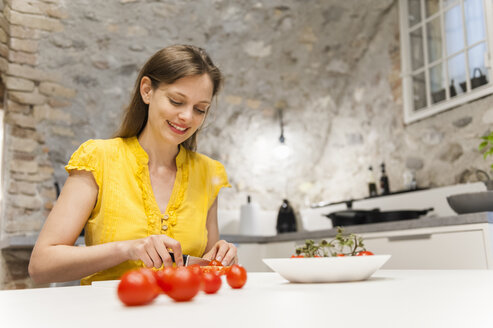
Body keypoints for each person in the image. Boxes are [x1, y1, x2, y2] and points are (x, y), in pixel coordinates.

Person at [29, 45, 237, 285]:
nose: (188, 117)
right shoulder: (99, 158)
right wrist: (127, 249)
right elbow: (41, 265)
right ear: (147, 91)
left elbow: (208, 269)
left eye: (200, 109)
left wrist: (222, 257)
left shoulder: (208, 173)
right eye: (176, 101)